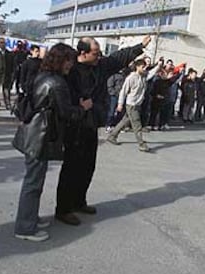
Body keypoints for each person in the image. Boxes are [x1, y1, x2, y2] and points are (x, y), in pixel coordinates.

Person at [55, 36, 151, 226]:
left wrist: (140, 46)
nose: (99, 56)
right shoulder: (70, 67)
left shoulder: (100, 66)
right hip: (75, 123)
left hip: (92, 122)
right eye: (95, 53)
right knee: (71, 169)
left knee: (88, 166)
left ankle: (79, 201)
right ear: (83, 53)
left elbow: (118, 57)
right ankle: (64, 209)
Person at [14, 43, 92, 242]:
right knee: (33, 183)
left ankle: (29, 218)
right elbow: (67, 113)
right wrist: (83, 108)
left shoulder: (43, 75)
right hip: (39, 137)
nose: (71, 65)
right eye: (68, 61)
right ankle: (25, 227)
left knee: (34, 181)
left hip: (33, 133)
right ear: (60, 60)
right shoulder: (56, 83)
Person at [106, 59, 153, 151]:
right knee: (137, 124)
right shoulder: (131, 78)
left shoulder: (143, 76)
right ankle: (141, 144)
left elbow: (151, 74)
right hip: (132, 104)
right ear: (137, 67)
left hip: (137, 104)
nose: (144, 68)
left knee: (124, 121)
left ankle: (112, 136)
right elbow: (123, 91)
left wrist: (159, 66)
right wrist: (120, 104)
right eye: (143, 67)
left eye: (145, 67)